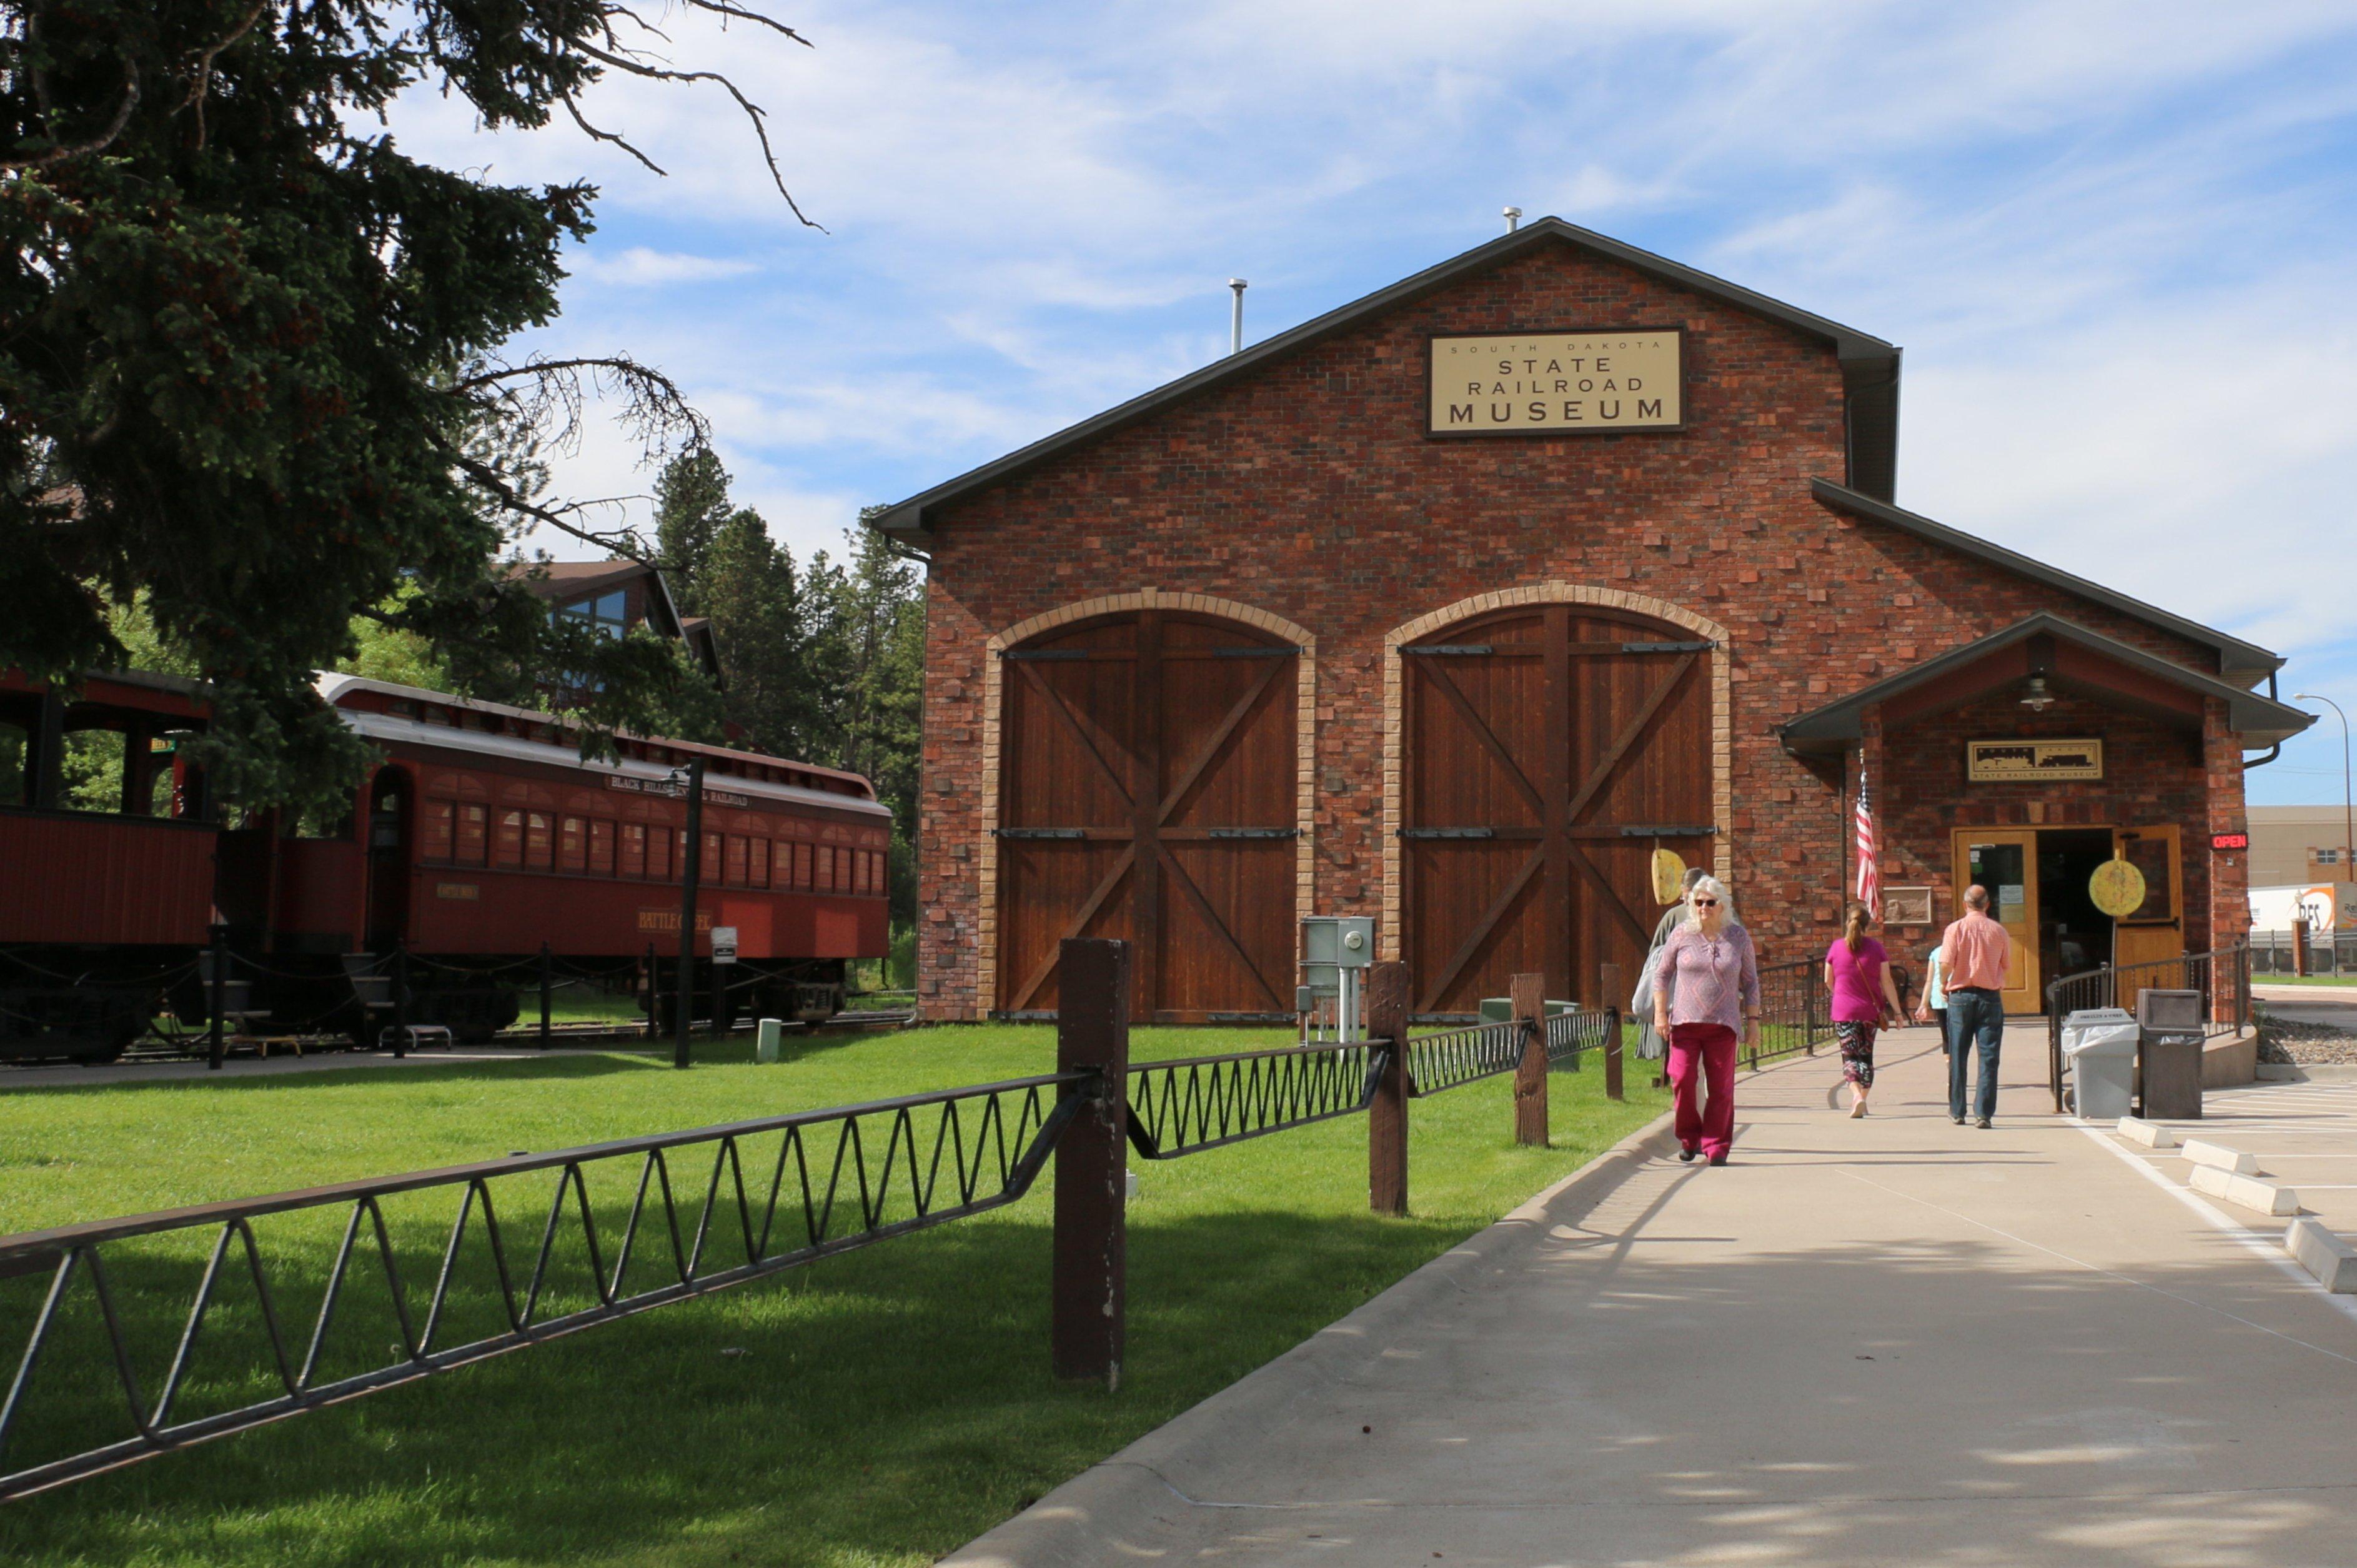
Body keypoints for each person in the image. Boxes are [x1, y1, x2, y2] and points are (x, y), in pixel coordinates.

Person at [1652, 875, 1761, 1166]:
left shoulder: (1738, 937)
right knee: (1683, 1080)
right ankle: (1690, 1139)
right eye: (1698, 902)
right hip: (1685, 1024)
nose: (1704, 908)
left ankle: (1717, 1146)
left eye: (1710, 903)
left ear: (1722, 906)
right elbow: (1661, 974)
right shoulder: (1681, 935)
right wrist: (1660, 1014)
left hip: (1724, 1026)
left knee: (1721, 1089)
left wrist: (1753, 1022)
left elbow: (1751, 982)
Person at [1938, 884, 2012, 1129]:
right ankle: (1984, 1113)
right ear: (1988, 905)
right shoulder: (1999, 931)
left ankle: (1957, 1111)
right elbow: (2006, 964)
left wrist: (1943, 983)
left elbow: (1946, 962)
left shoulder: (1955, 929)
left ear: (1965, 904)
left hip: (1960, 996)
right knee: (1989, 1057)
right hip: (1990, 997)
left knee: (1958, 1054)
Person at [1825, 902, 1903, 1118]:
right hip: (1869, 1011)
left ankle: (1856, 1095)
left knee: (1849, 1056)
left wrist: (1841, 994)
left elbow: (1828, 980)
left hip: (1843, 1011)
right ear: (1868, 925)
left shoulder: (1836, 947)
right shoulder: (1876, 948)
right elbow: (1887, 981)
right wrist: (1897, 1012)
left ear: (1847, 922)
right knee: (1866, 1057)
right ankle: (1862, 1097)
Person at [1632, 868, 1711, 1061]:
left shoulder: (1725, 916)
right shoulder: (1675, 917)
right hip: (1681, 1000)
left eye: (1687, 898)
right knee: (1688, 1064)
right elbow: (1657, 959)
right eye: (1684, 899)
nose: (1686, 904)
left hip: (1710, 1001)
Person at [1913, 941, 1949, 1051]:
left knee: (1946, 1037)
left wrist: (1923, 1004)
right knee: (1959, 1037)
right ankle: (1957, 1066)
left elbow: (1929, 981)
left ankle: (1950, 1065)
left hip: (1938, 999)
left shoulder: (1936, 952)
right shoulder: (1963, 950)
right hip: (1956, 995)